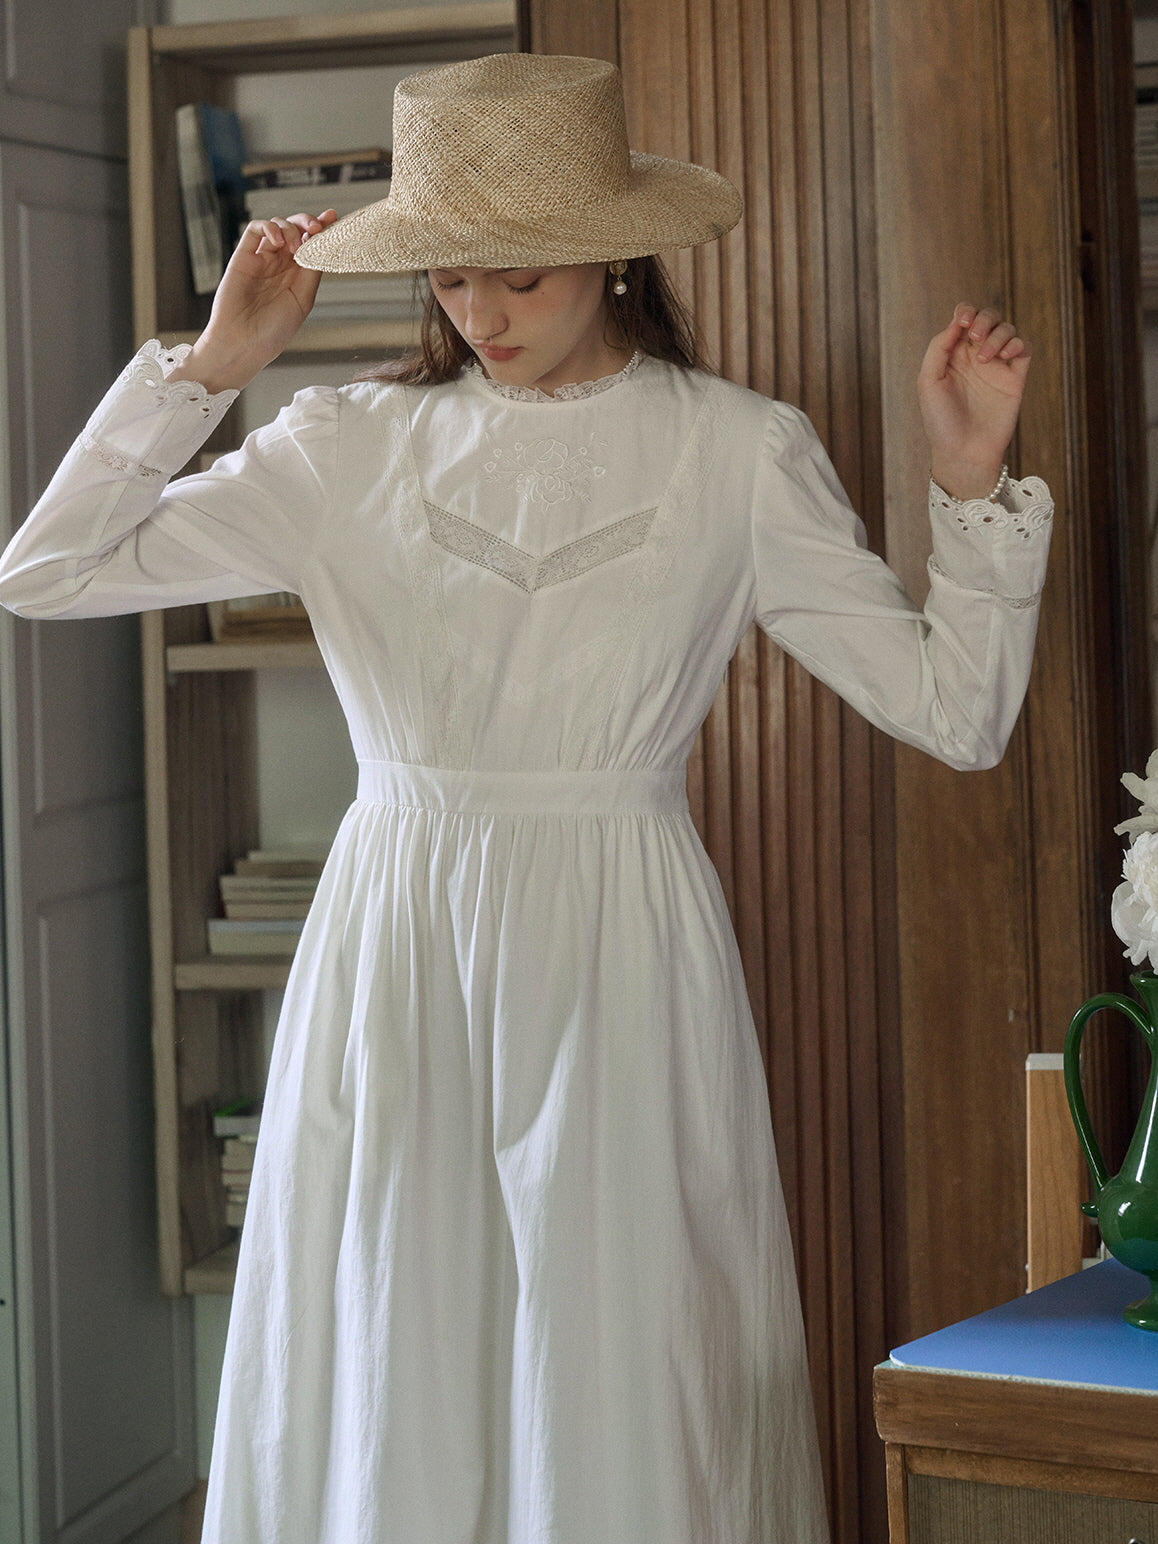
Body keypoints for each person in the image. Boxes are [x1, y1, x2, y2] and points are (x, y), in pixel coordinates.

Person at [0, 51, 1050, 1544]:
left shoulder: (737, 451)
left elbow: (959, 715)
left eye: (519, 278)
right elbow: (46, 575)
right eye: (448, 281)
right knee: (388, 1321)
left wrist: (965, 488)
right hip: (395, 937)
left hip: (621, 942)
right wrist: (211, 373)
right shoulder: (339, 448)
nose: (479, 317)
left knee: (622, 1336)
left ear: (617, 251)